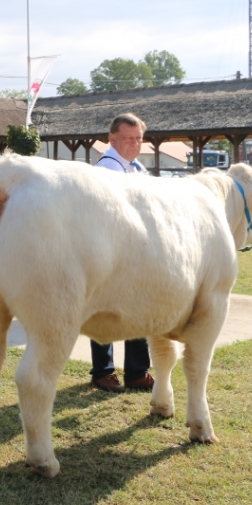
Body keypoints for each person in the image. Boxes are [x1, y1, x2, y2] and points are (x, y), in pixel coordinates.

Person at [90, 113, 155, 393]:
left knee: (137, 308)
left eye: (139, 138)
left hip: (135, 251)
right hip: (110, 250)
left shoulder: (135, 167)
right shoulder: (108, 167)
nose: (135, 143)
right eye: (128, 138)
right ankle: (103, 371)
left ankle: (137, 370)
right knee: (105, 310)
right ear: (112, 139)